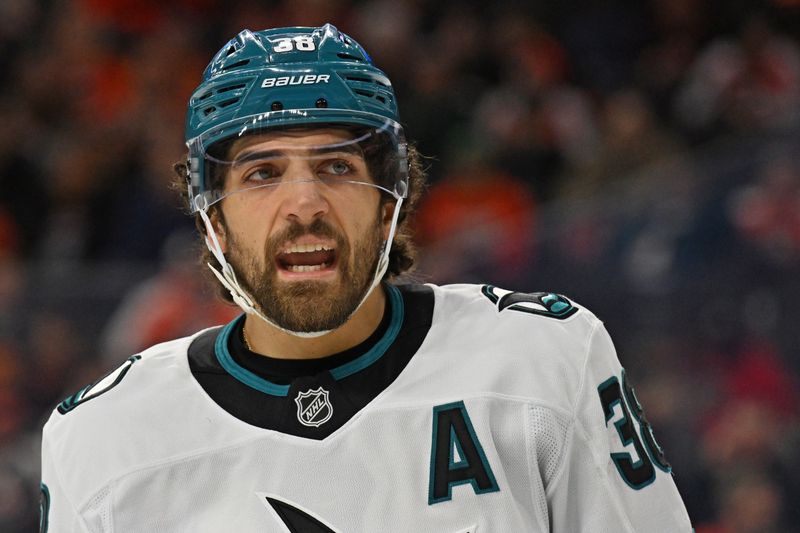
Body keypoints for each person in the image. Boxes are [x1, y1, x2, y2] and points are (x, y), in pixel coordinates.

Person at [40, 24, 692, 532]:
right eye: (263, 173)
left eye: (337, 167)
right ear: (213, 215)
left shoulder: (546, 358)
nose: (304, 205)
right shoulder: (104, 440)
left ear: (390, 201)